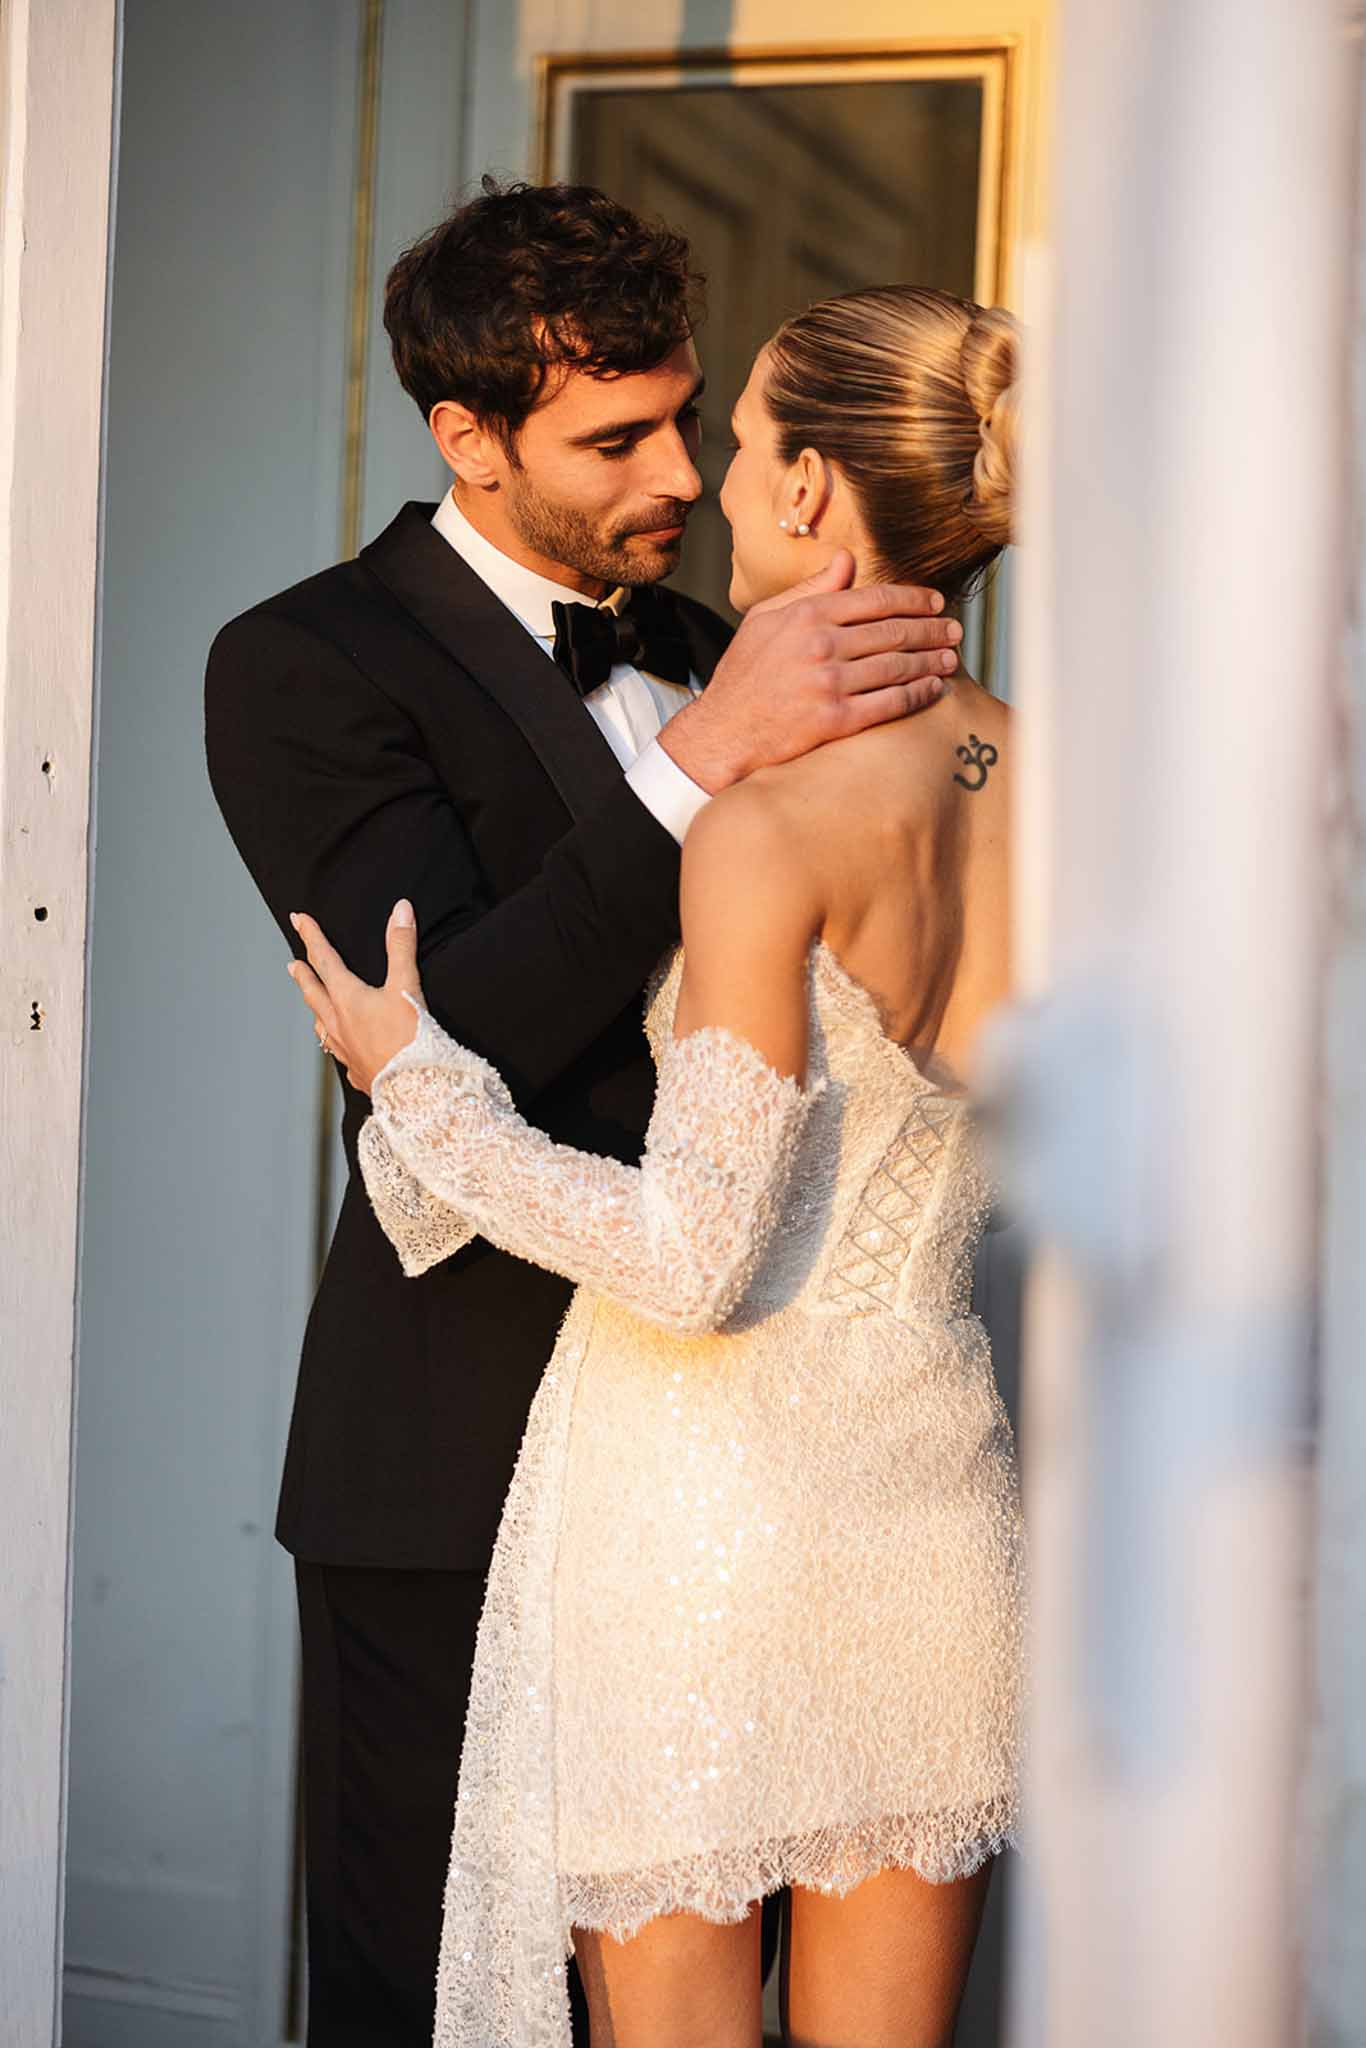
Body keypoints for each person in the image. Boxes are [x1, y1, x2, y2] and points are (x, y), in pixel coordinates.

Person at [204, 181, 958, 2046]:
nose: (683, 474)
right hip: (454, 1442)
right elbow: (438, 1039)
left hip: (746, 1461)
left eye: (689, 417)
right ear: (464, 436)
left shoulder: (725, 637)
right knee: (441, 1995)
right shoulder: (304, 664)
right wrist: (703, 767)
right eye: (615, 438)